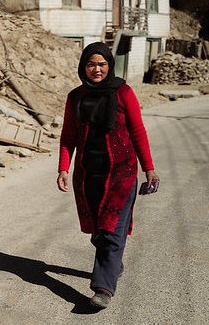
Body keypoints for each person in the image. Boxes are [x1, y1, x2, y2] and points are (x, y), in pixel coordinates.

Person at [56, 42, 160, 309]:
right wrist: (63, 168)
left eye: (102, 64)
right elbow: (68, 136)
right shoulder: (75, 97)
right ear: (83, 66)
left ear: (110, 65)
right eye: (91, 64)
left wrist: (148, 168)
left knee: (112, 230)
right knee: (97, 231)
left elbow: (138, 131)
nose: (97, 69)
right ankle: (113, 264)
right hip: (88, 175)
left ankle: (103, 288)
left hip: (121, 173)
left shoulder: (123, 93)